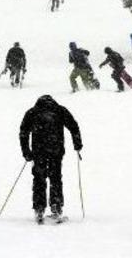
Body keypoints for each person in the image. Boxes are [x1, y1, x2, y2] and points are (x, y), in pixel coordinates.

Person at [19, 95, 82, 224]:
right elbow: (73, 126)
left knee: (39, 178)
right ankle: (56, 207)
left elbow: (23, 132)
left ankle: (39, 208)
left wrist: (26, 151)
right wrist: (77, 144)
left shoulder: (32, 112)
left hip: (39, 151)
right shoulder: (60, 110)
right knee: (55, 178)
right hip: (56, 150)